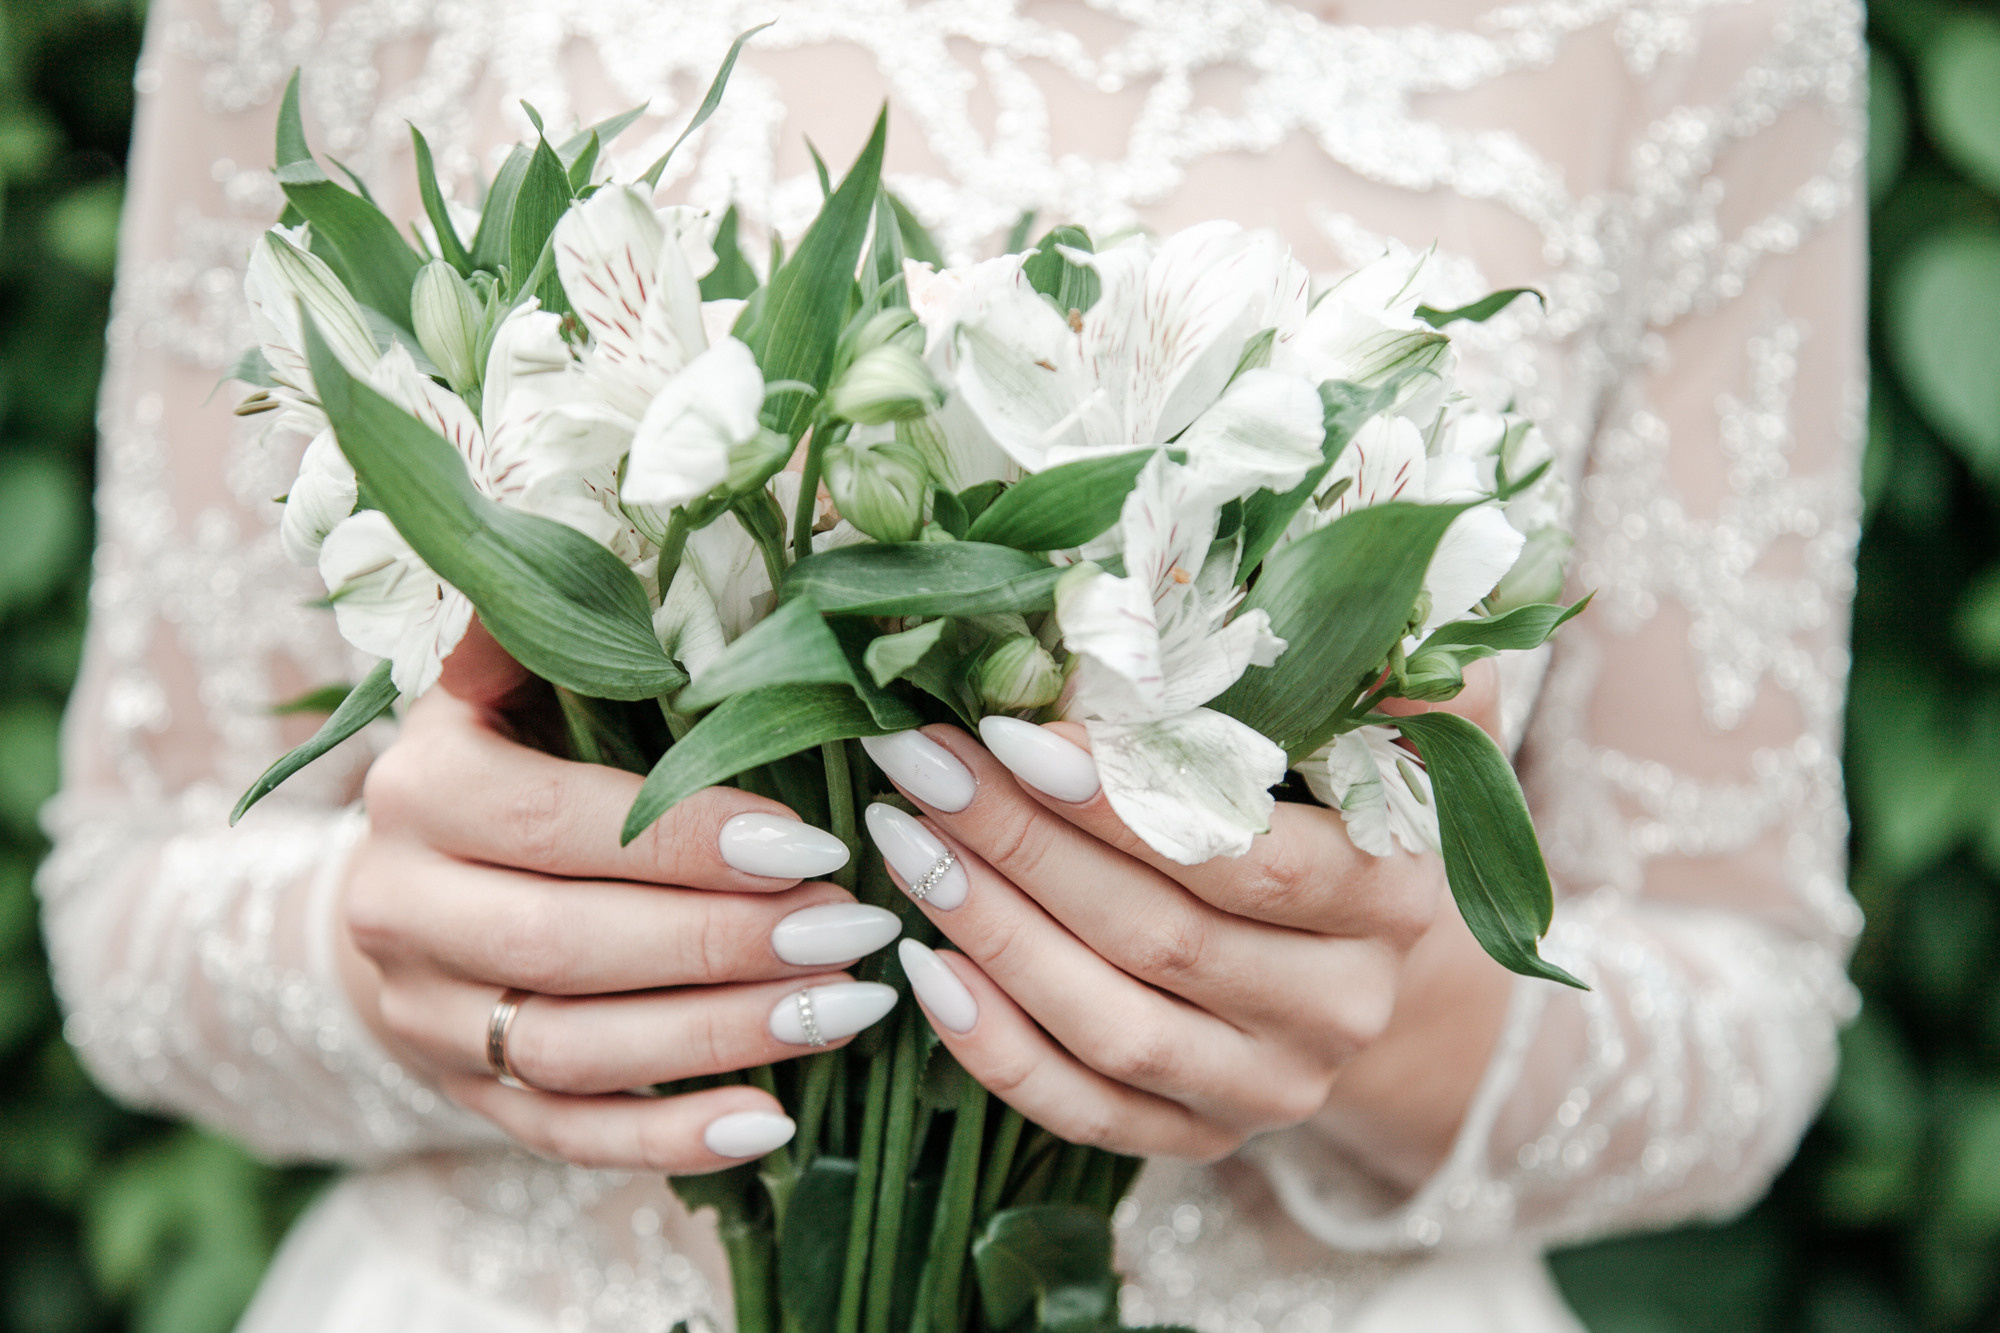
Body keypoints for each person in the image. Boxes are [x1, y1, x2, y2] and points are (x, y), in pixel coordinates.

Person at [38, 1, 1866, 1329]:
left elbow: (1743, 1004)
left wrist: (1382, 1012)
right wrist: (403, 965)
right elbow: (128, 903)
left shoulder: (1708, 37)